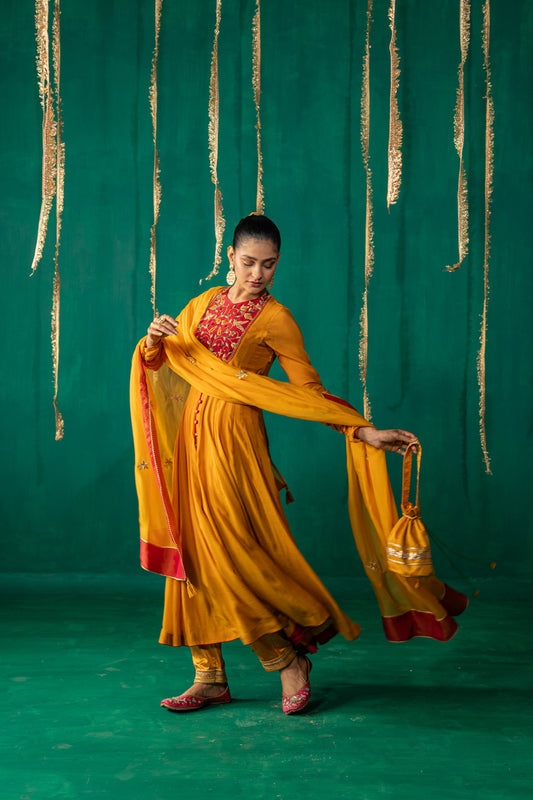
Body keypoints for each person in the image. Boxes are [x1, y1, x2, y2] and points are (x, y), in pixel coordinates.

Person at [130, 214, 466, 716]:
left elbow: (307, 389)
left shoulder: (277, 320)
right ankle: (209, 677)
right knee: (192, 556)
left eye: (269, 265)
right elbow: (168, 365)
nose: (258, 273)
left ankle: (287, 660)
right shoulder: (199, 306)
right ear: (230, 257)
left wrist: (359, 430)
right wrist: (154, 341)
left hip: (236, 448)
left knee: (234, 555)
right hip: (190, 451)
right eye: (248, 263)